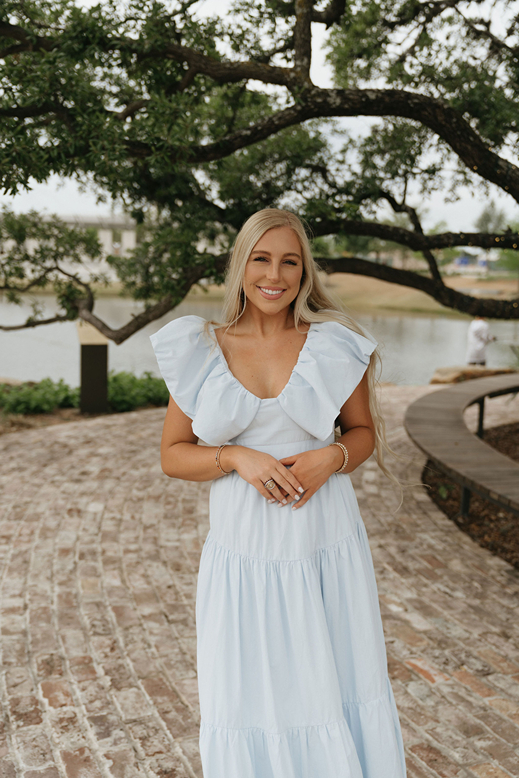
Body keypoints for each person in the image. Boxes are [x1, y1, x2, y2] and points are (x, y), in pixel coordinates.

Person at [150, 209, 406, 778]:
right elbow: (173, 454)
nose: (275, 274)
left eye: (290, 261)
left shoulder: (335, 345)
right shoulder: (200, 349)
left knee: (337, 680)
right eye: (261, 259)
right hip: (243, 554)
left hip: (325, 542)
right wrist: (234, 455)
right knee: (249, 694)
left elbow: (361, 433)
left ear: (304, 270)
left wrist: (331, 458)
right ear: (240, 266)